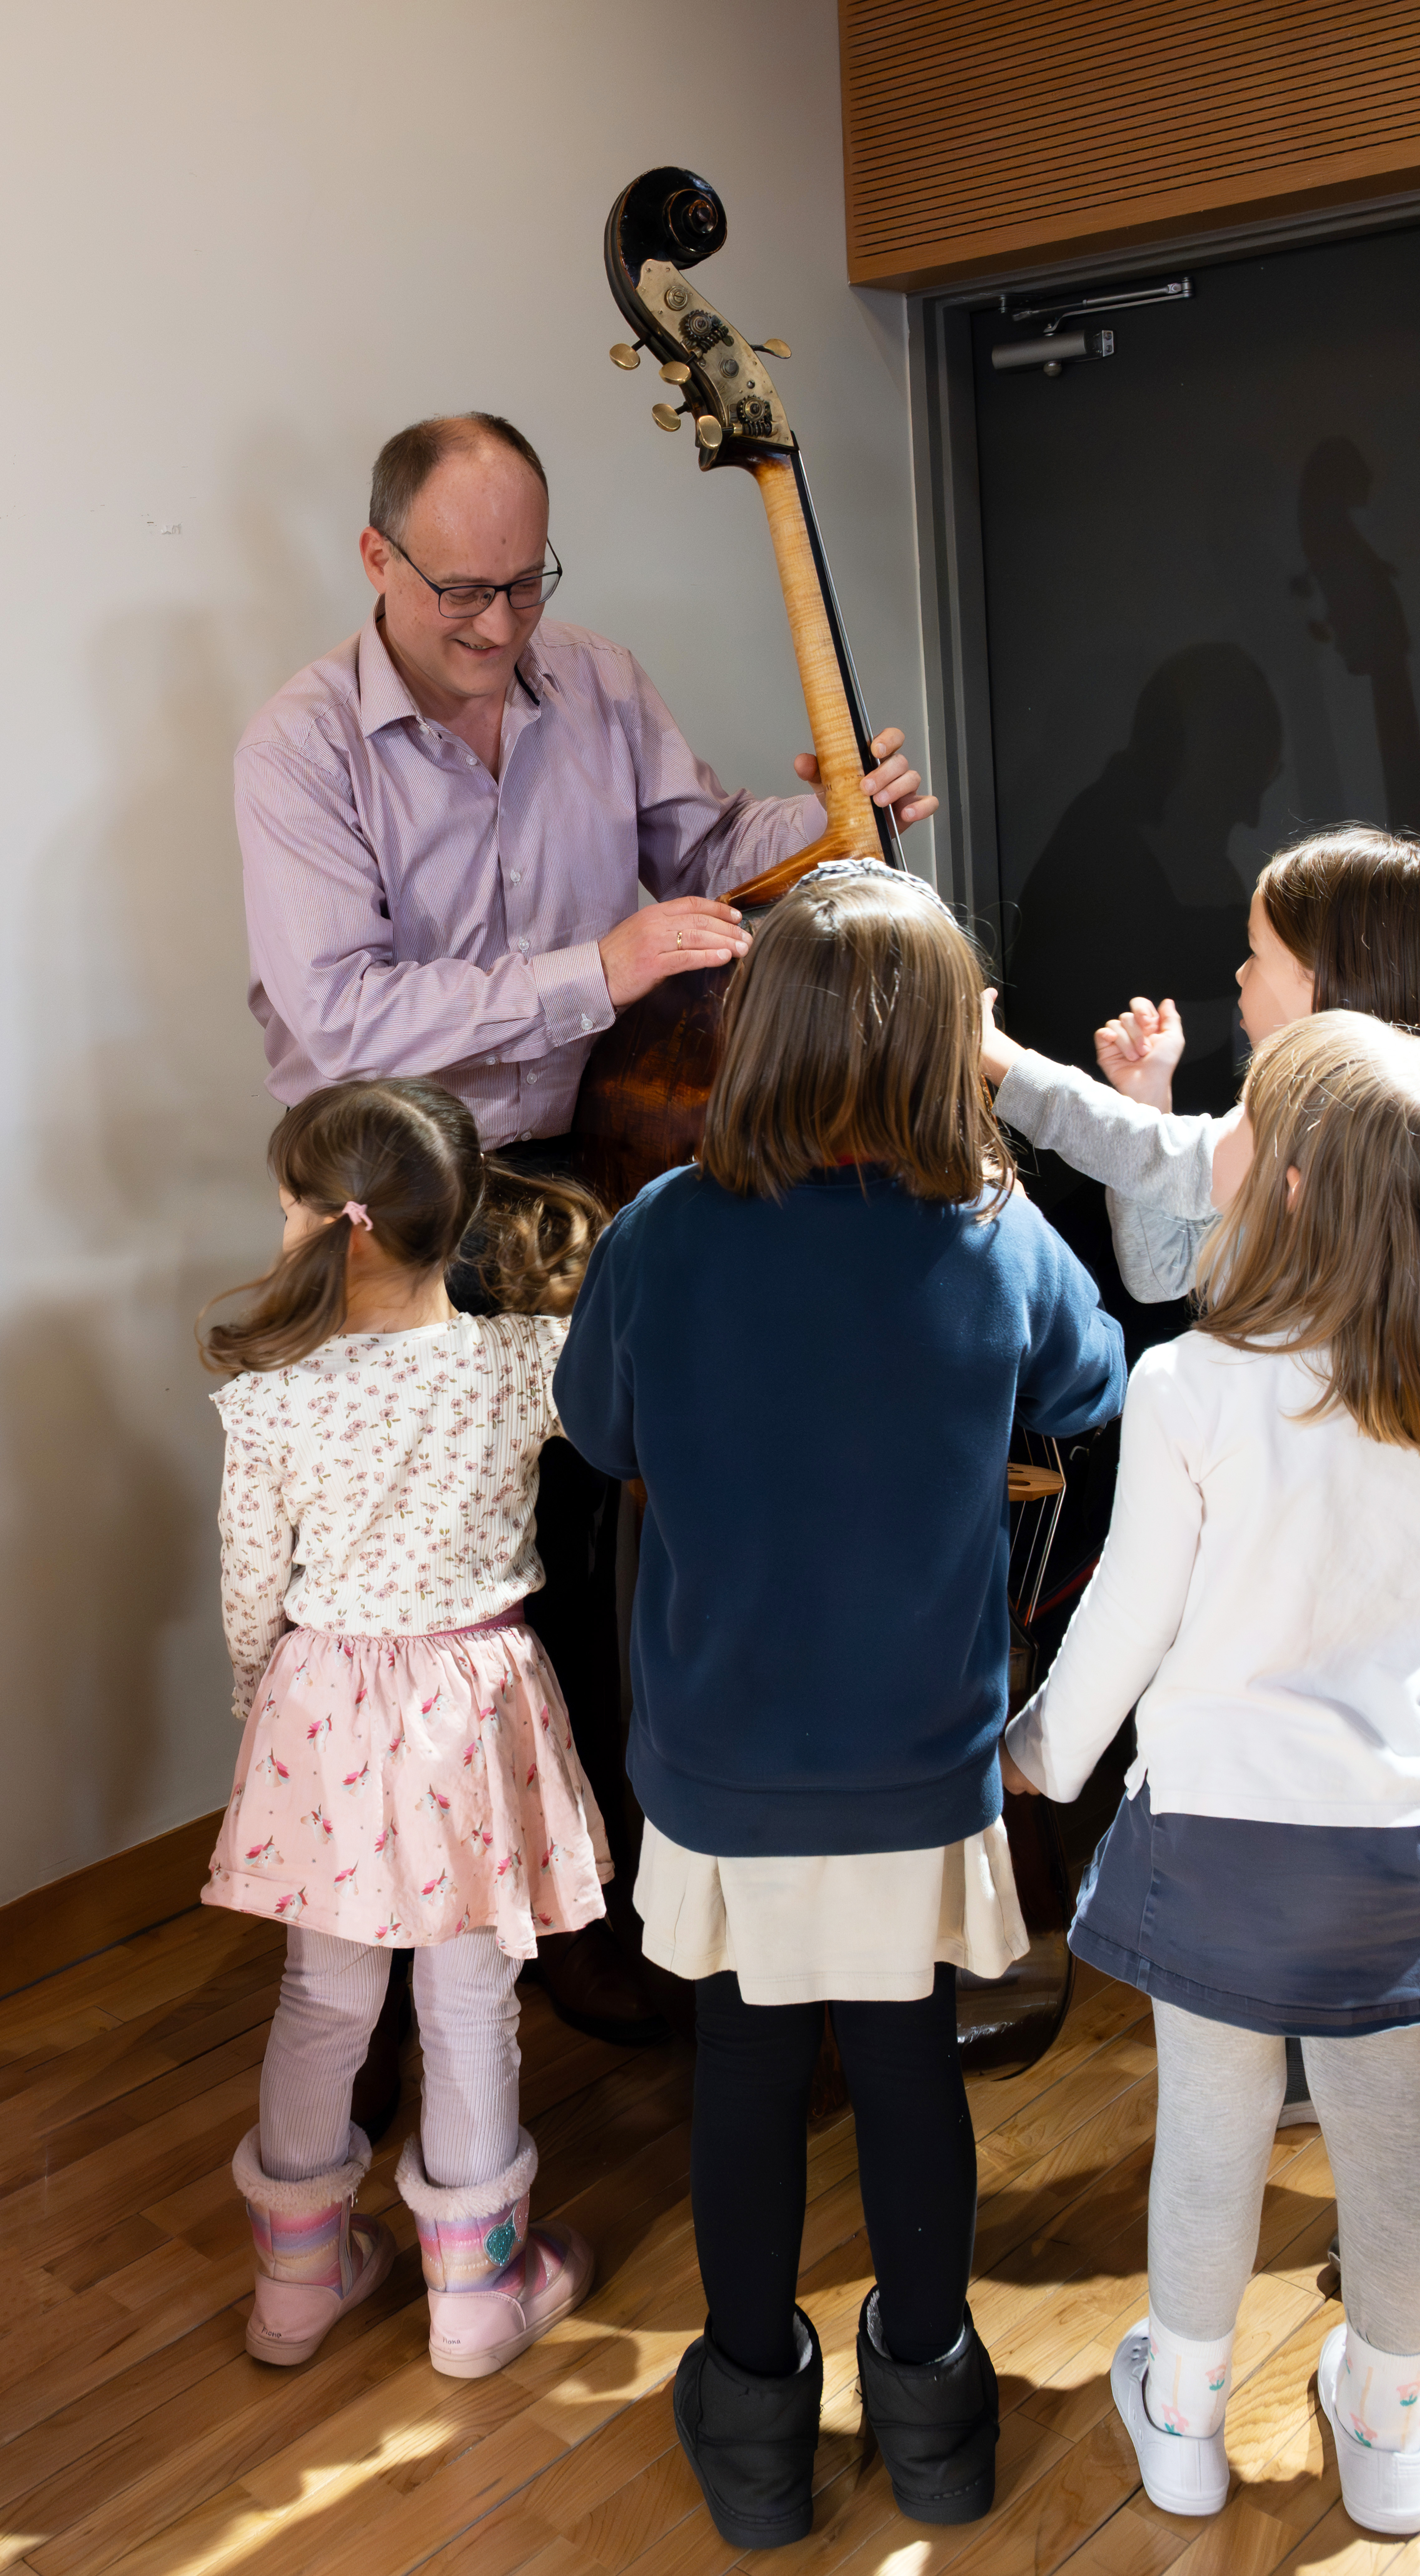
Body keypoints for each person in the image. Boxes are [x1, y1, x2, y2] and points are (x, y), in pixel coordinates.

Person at [234, 408, 937, 2054]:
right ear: (377, 561)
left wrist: (836, 814)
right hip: (396, 1203)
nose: (499, 630)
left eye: (525, 586)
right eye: (461, 594)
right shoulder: (301, 747)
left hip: (592, 1172)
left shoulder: (598, 684)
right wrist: (589, 974)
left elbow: (708, 856)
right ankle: (404, 1971)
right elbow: (341, 1028)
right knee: (431, 1608)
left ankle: (603, 1908)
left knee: (611, 1552)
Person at [556, 860, 1126, 2549]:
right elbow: (1089, 1386)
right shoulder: (987, 1230)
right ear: (954, 1048)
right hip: (914, 1757)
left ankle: (753, 2428)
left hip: (727, 1757)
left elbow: (599, 1435)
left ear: (761, 1036)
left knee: (739, 2066)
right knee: (904, 2069)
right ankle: (936, 2410)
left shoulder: (664, 1233)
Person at [1004, 1012, 1420, 2537]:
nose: (1211, 1142)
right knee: (1391, 2133)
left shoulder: (1193, 1386)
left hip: (1227, 1843)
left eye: (1235, 1120)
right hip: (1409, 1837)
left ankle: (1179, 2414)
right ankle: (1384, 2425)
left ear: (1294, 1188)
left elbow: (1128, 1616)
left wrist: (1040, 1750)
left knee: (1213, 2120)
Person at [201, 1077, 611, 2379]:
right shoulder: (523, 1362)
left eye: (288, 1211)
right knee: (470, 2002)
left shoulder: (273, 1394)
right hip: (471, 1707)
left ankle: (296, 2293)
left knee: (323, 2000)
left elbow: (245, 1581)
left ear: (348, 1228)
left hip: (321, 1708)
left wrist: (255, 1706)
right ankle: (475, 2302)